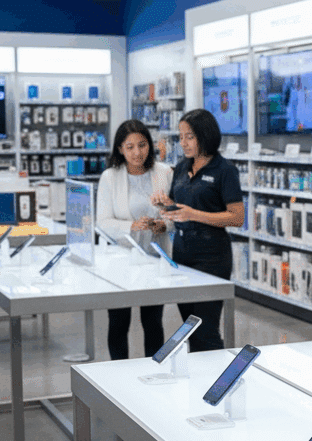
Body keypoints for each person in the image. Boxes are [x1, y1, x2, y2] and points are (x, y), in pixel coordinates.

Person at [152, 109, 244, 352]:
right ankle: (198, 373)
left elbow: (237, 217)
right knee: (189, 327)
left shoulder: (224, 170)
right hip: (182, 253)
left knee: (206, 329)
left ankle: (218, 373)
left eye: (190, 137)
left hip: (211, 256)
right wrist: (166, 205)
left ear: (205, 136)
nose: (183, 143)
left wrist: (194, 214)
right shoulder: (182, 167)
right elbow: (180, 205)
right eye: (181, 137)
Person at [97, 119, 174, 360]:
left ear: (150, 145)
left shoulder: (164, 173)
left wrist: (163, 225)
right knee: (118, 323)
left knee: (153, 322)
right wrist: (130, 226)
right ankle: (119, 373)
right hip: (120, 262)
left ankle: (154, 371)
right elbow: (103, 222)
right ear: (120, 149)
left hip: (154, 259)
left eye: (142, 145)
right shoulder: (110, 177)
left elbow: (174, 214)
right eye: (129, 147)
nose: (137, 153)